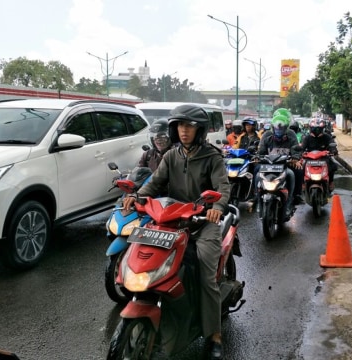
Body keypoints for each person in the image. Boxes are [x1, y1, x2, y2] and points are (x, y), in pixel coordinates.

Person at [122, 104, 230, 360]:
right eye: (180, 125)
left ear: (199, 130)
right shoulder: (171, 156)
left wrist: (216, 207)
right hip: (172, 220)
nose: (184, 131)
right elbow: (155, 182)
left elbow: (223, 188)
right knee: (147, 257)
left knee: (205, 272)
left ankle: (214, 334)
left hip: (203, 222)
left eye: (190, 126)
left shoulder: (212, 157)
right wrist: (137, 196)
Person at [255, 110, 304, 218]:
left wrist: (295, 158)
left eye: (281, 128)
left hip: (285, 165)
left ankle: (292, 199)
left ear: (286, 127)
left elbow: (296, 149)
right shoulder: (266, 135)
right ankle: (257, 200)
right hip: (268, 165)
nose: (279, 130)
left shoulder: (291, 134)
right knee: (257, 173)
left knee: (296, 172)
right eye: (277, 128)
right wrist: (258, 157)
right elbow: (261, 150)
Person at [301, 121, 337, 190]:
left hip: (323, 157)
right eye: (314, 129)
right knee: (301, 166)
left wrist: (333, 150)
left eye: (318, 129)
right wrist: (300, 152)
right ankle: (303, 183)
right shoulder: (307, 138)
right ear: (311, 128)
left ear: (322, 129)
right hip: (310, 158)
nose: (316, 131)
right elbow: (302, 147)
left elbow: (332, 144)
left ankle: (331, 182)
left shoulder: (327, 137)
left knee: (332, 165)